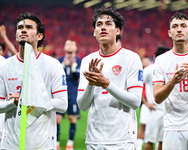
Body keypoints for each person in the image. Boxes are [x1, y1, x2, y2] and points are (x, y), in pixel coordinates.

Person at [77, 7, 143, 150]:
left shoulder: (131, 58)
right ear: (94, 32)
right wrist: (90, 84)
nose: (103, 27)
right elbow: (82, 106)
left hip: (122, 140)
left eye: (108, 23)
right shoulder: (87, 60)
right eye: (99, 25)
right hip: (94, 139)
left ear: (117, 30)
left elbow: (135, 102)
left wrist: (106, 84)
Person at [0, 12, 68, 149]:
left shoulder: (53, 65)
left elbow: (62, 104)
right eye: (20, 27)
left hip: (42, 143)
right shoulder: (4, 66)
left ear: (39, 36)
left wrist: (28, 99)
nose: (23, 30)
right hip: (11, 144)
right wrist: (13, 103)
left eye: (29, 27)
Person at [153, 12, 188, 150]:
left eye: (183, 26)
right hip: (172, 128)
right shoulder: (162, 60)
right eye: (175, 26)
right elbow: (157, 98)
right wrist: (172, 81)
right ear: (169, 32)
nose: (179, 29)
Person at [56, 39, 81, 150]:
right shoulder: (59, 61)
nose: (70, 46)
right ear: (64, 47)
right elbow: (54, 76)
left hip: (72, 94)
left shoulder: (79, 62)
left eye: (72, 44)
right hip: (59, 93)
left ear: (76, 48)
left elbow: (79, 78)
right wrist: (64, 65)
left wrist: (72, 67)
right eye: (68, 44)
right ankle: (56, 142)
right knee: (57, 119)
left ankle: (70, 144)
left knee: (72, 118)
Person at [143, 47, 170, 150]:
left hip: (168, 111)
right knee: (150, 140)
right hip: (154, 110)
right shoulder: (149, 69)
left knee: (163, 141)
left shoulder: (170, 69)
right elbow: (139, 85)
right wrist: (146, 103)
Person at [137, 57, 151, 150]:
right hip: (145, 102)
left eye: (147, 61)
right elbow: (139, 87)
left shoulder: (153, 71)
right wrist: (144, 102)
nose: (145, 63)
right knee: (143, 124)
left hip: (155, 103)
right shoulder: (141, 73)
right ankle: (138, 147)